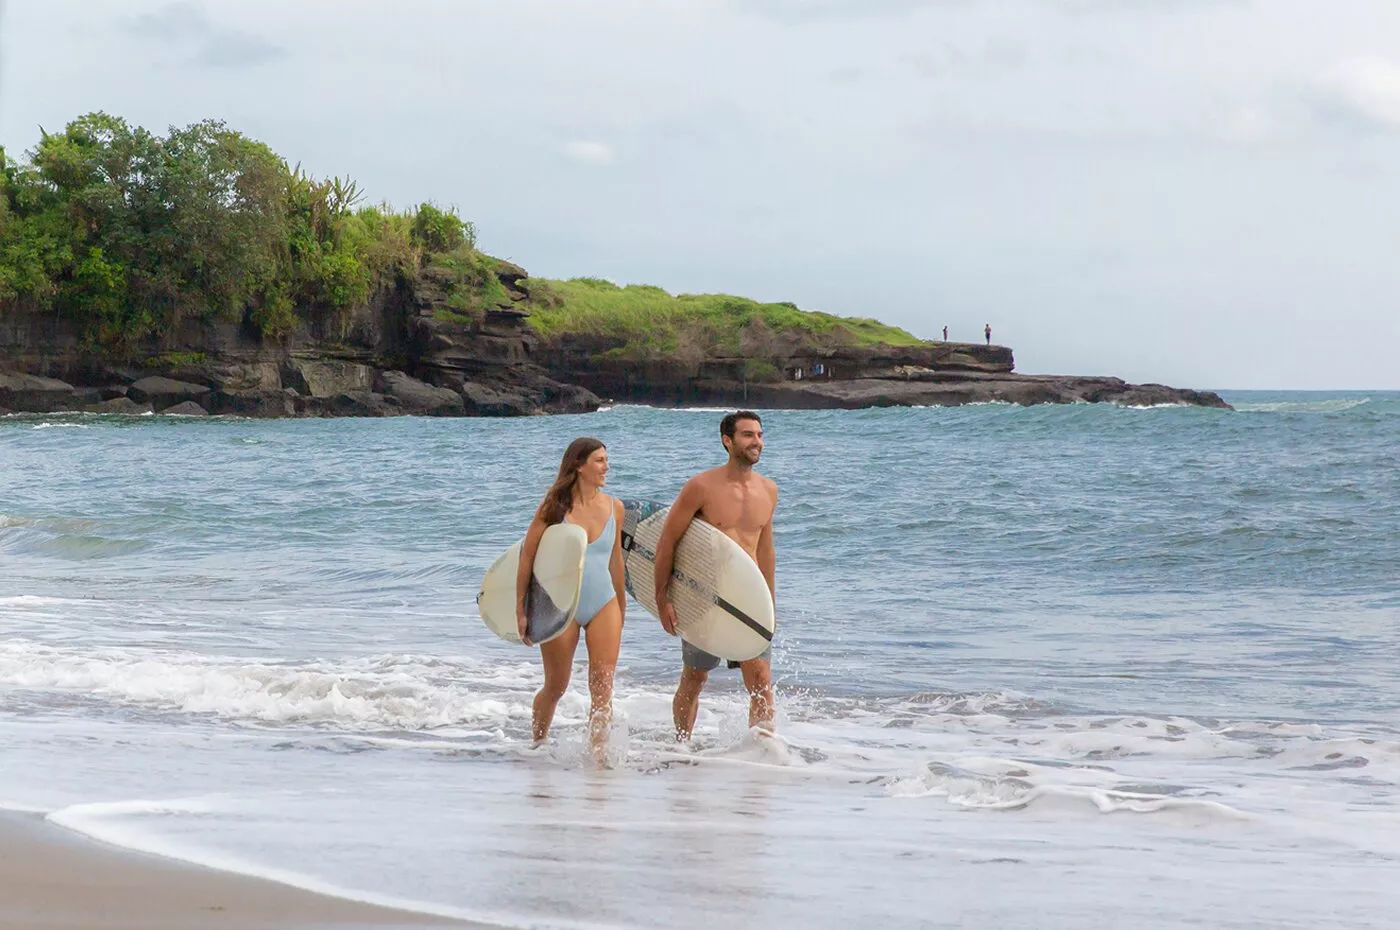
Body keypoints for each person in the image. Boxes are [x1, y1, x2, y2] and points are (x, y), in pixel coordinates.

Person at [653, 411, 778, 741]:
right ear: (728, 441)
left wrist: (770, 606)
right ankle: (681, 746)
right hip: (704, 597)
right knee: (695, 678)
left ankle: (763, 755)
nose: (758, 442)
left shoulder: (768, 490)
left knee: (761, 680)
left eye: (760, 435)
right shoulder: (701, 487)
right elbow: (668, 540)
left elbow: (765, 551)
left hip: (747, 600)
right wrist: (662, 597)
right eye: (749, 435)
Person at [515, 437, 626, 758]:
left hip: (603, 602)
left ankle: (599, 756)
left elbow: (615, 561)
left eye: (607, 459)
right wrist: (522, 608)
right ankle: (538, 743)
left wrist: (621, 604)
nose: (607, 466)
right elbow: (527, 556)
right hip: (561, 604)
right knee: (557, 685)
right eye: (600, 460)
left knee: (603, 686)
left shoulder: (614, 507)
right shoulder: (554, 506)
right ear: (579, 465)